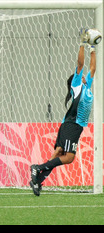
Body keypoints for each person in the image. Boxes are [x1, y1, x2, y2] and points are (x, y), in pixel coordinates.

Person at [30, 28, 97, 196]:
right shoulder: (76, 84)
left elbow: (93, 68)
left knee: (57, 154)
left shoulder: (87, 86)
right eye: (80, 75)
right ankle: (37, 168)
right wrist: (82, 44)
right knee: (69, 157)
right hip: (72, 124)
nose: (83, 76)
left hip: (72, 125)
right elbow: (81, 65)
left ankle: (37, 180)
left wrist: (93, 48)